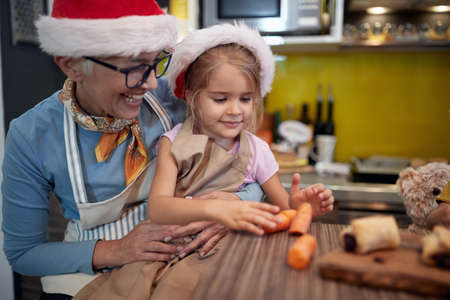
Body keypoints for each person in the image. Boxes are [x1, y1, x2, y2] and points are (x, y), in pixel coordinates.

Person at [1, 1, 264, 299]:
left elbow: (252, 175)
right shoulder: (31, 135)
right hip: (85, 279)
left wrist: (231, 205)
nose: (151, 82)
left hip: (181, 266)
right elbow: (25, 254)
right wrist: (117, 249)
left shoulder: (175, 100)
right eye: (135, 67)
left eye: (156, 62)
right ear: (71, 64)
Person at [148, 23, 335, 236]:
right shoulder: (172, 143)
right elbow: (157, 209)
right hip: (178, 251)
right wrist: (217, 209)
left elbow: (283, 208)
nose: (236, 110)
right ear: (191, 97)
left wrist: (303, 205)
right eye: (220, 99)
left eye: (246, 99)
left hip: (237, 251)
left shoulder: (257, 150)